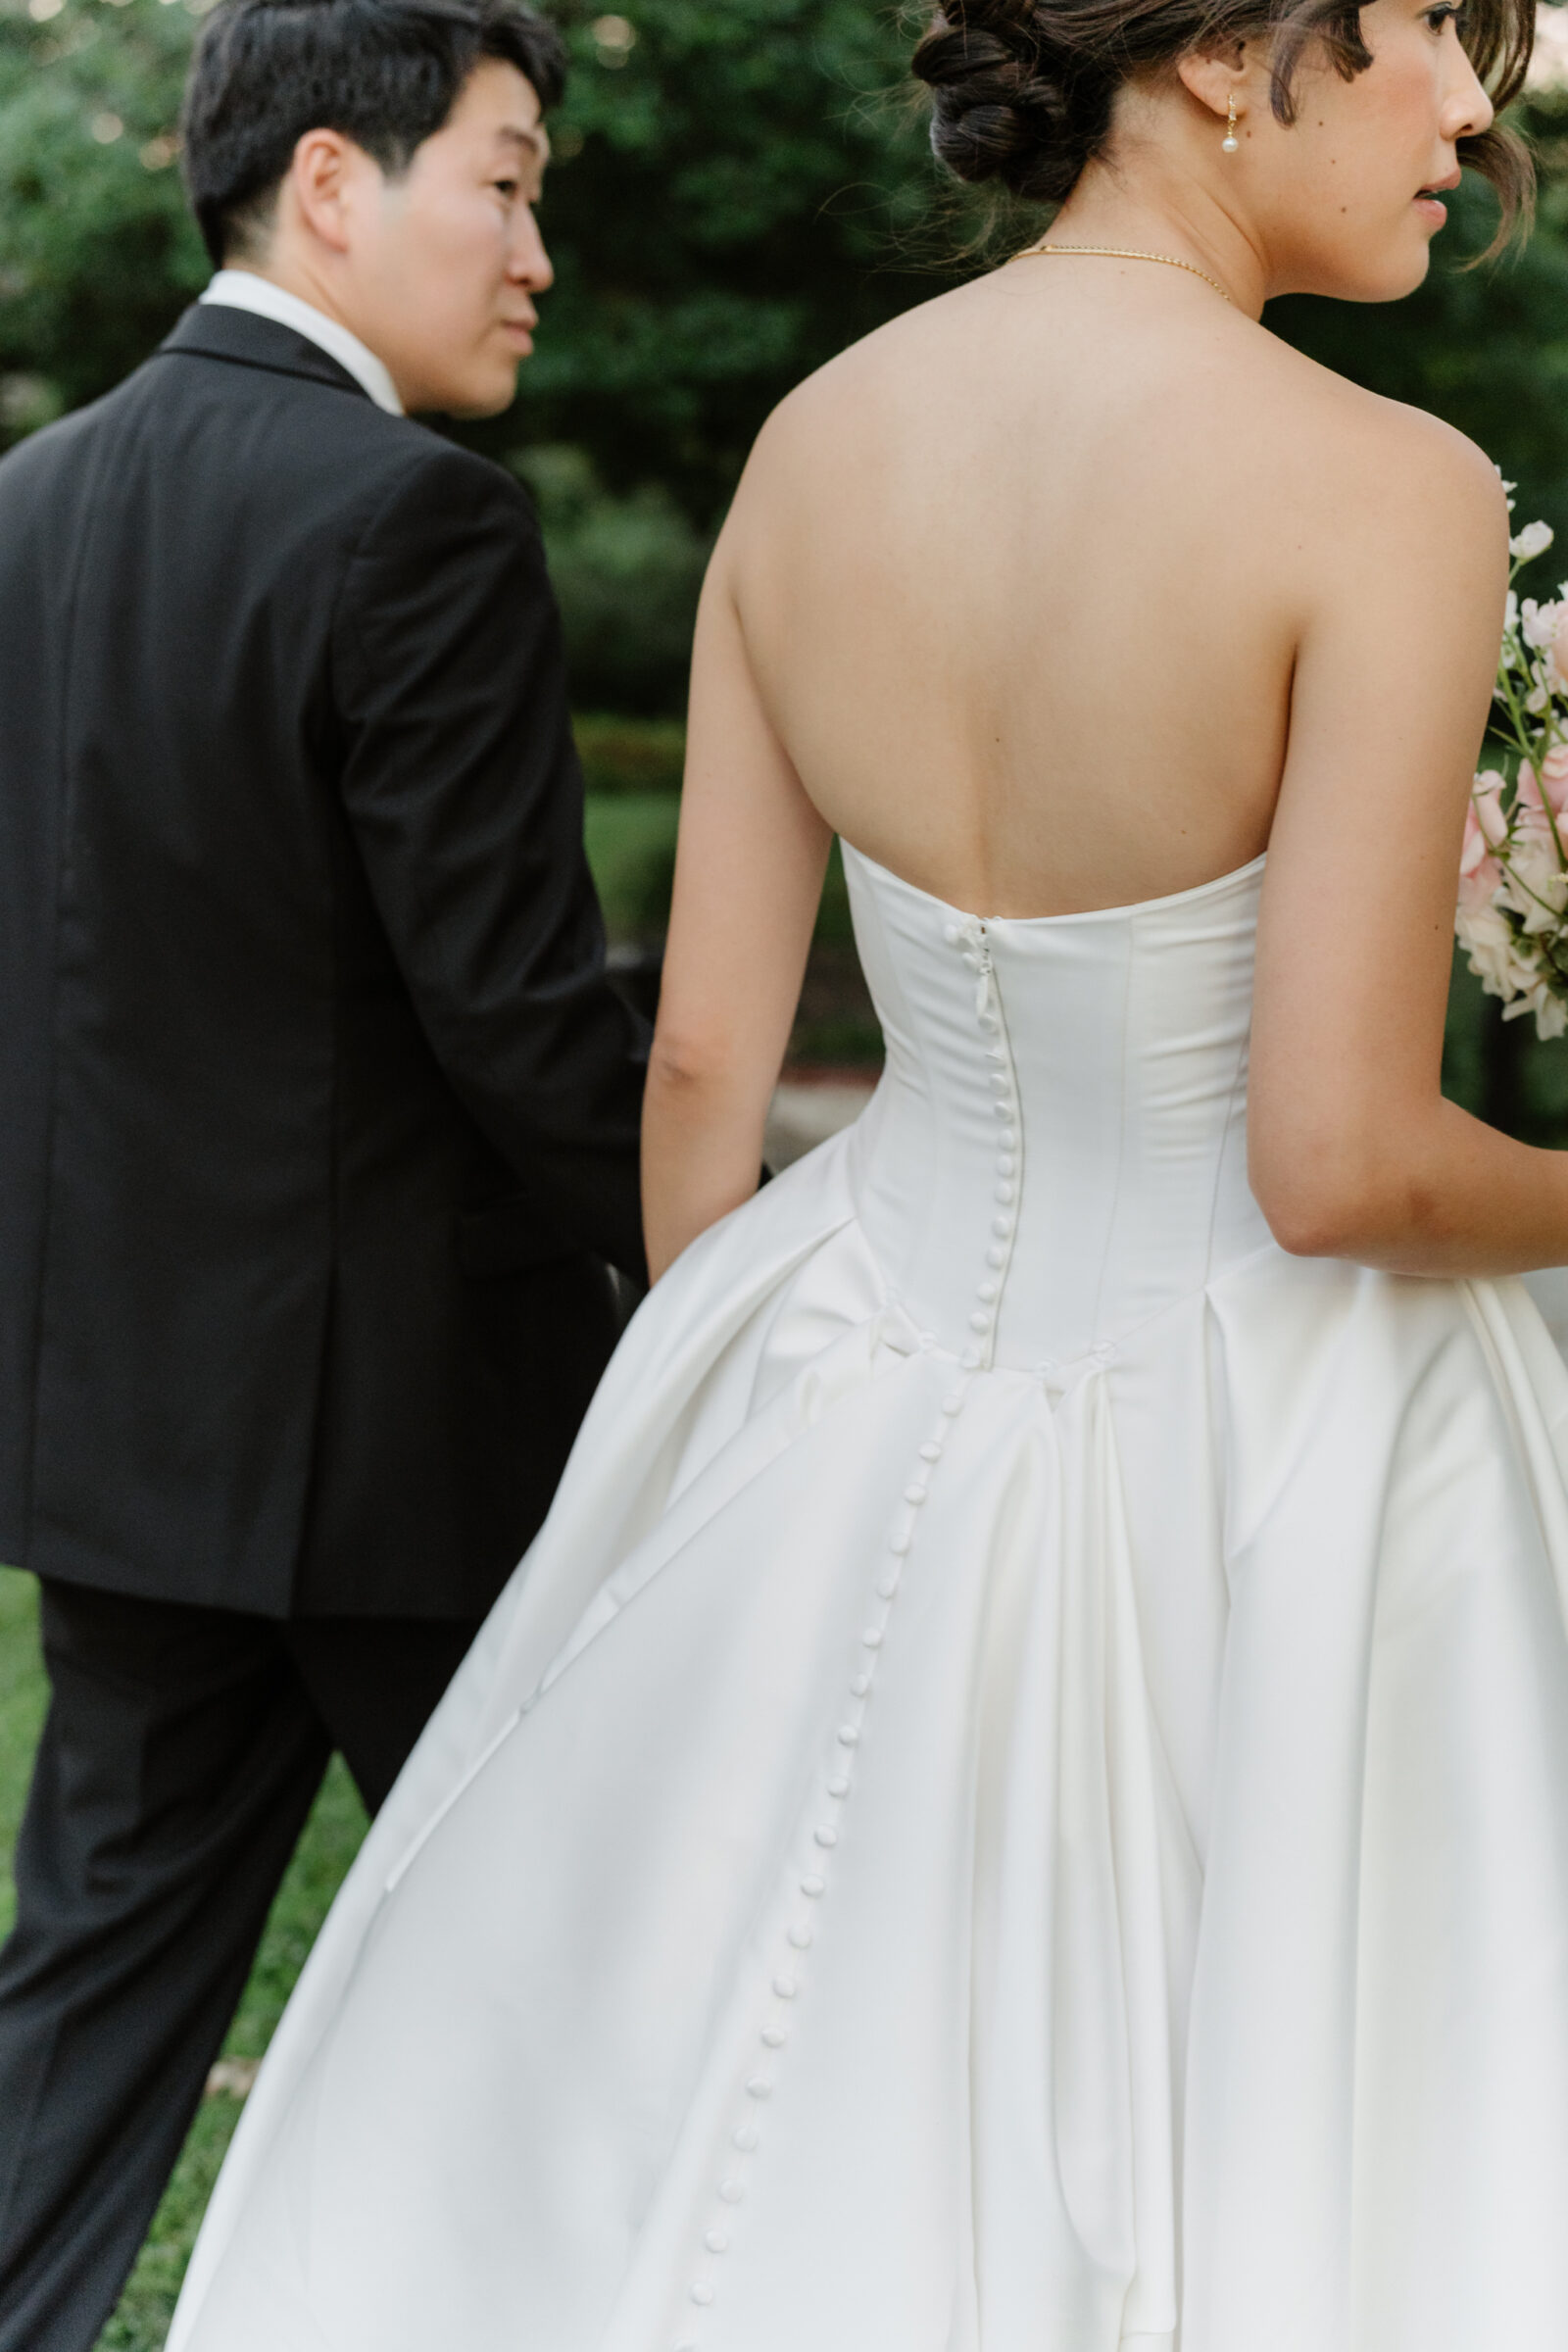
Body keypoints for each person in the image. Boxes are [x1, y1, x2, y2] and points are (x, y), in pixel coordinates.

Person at [168, 0, 1568, 2339]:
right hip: (1282, 1444)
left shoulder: (811, 448)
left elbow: (704, 1061)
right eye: (1439, 31)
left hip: (847, 1335)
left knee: (766, 2060)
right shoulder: (1380, 489)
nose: (1472, 112)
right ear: (1227, 54)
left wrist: (719, 1463)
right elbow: (1331, 1163)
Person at [0, 0, 647, 2342]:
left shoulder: (31, 505)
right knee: (603, 1983)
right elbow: (512, 1017)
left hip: (127, 1436)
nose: (538, 250)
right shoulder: (413, 521)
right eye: (507, 178)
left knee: (83, 2016)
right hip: (415, 1453)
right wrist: (733, 1257)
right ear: (335, 186)